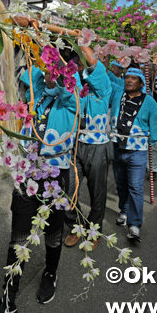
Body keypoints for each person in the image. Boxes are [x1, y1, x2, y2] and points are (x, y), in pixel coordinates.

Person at [0, 18, 79, 313]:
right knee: (19, 237)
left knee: (52, 234)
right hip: (26, 178)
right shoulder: (31, 96)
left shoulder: (70, 104)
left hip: (55, 179)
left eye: (56, 68)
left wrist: (58, 62)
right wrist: (23, 29)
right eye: (46, 67)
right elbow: (19, 64)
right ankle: (7, 299)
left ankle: (50, 272)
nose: (50, 73)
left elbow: (61, 85)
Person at [62, 42, 112, 250]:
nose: (82, 67)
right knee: (67, 191)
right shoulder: (76, 89)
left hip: (98, 147)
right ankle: (76, 226)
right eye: (78, 65)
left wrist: (79, 39)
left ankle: (94, 230)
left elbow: (92, 61)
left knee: (97, 194)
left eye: (84, 65)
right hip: (76, 145)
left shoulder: (103, 84)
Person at [110, 68, 157, 242]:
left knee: (135, 187)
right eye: (127, 77)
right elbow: (105, 75)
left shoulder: (149, 102)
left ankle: (135, 225)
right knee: (121, 185)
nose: (129, 80)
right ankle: (124, 209)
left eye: (133, 78)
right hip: (117, 147)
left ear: (141, 83)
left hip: (138, 151)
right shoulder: (117, 94)